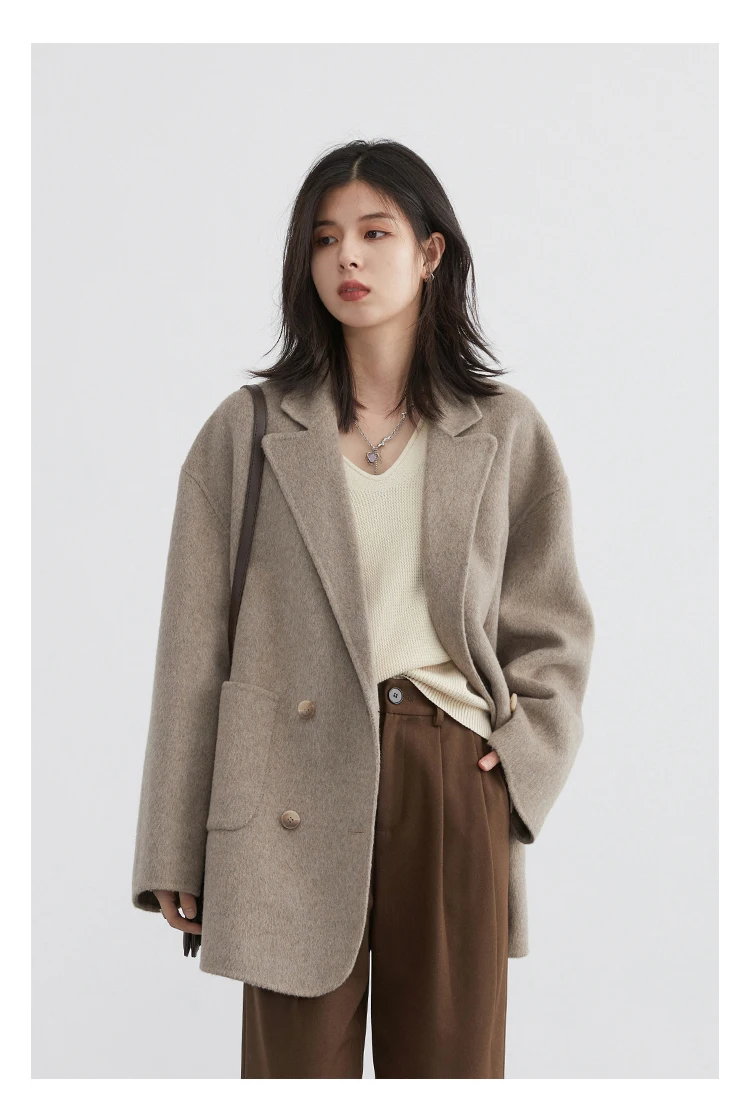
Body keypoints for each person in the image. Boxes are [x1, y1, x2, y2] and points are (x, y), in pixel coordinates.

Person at [131, 138, 595, 1079]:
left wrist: (520, 762)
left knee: (451, 1071)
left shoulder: (504, 430)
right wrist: (172, 842)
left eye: (375, 232)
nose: (346, 255)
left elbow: (552, 623)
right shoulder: (247, 431)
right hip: (286, 788)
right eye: (324, 238)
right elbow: (191, 649)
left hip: (450, 772)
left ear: (430, 253)